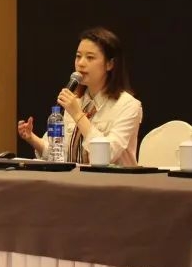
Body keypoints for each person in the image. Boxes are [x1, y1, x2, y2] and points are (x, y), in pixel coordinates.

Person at [17, 26, 143, 166]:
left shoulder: (128, 105)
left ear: (109, 64)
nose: (81, 63)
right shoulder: (76, 101)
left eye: (90, 57)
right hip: (75, 178)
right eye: (78, 56)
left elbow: (107, 156)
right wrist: (32, 138)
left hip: (114, 179)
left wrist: (78, 115)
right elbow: (61, 154)